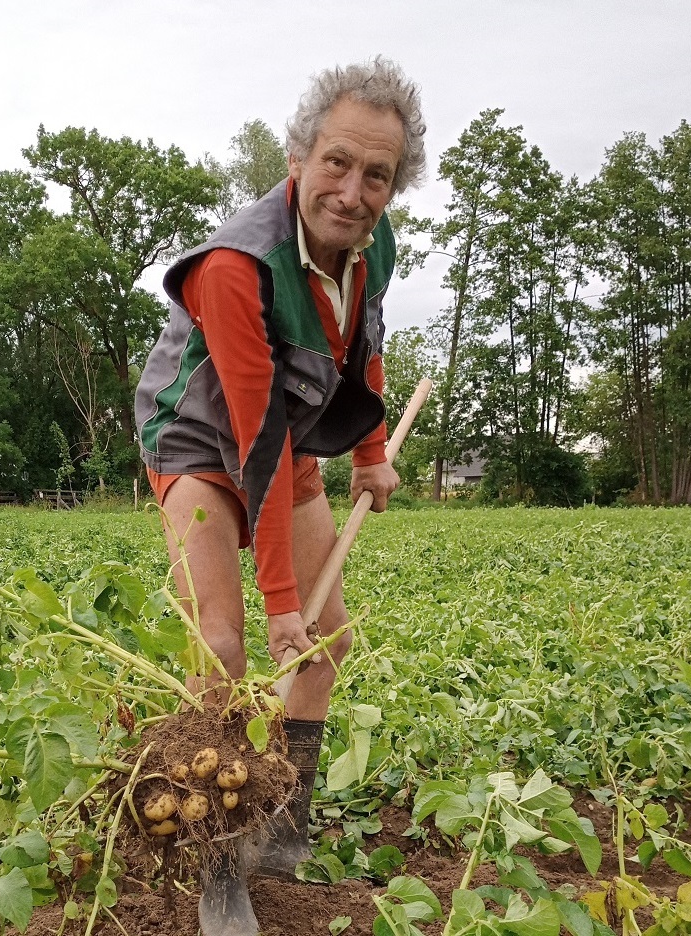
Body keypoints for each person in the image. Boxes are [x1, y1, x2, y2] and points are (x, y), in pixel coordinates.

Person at [135, 56, 426, 935]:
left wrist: (371, 453)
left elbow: (361, 346)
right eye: (337, 162)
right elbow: (251, 446)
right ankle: (219, 864)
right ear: (299, 158)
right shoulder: (236, 267)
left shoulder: (366, 248)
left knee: (328, 640)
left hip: (280, 440)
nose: (353, 190)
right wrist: (277, 606)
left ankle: (282, 825)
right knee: (223, 646)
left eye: (377, 174)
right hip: (197, 443)